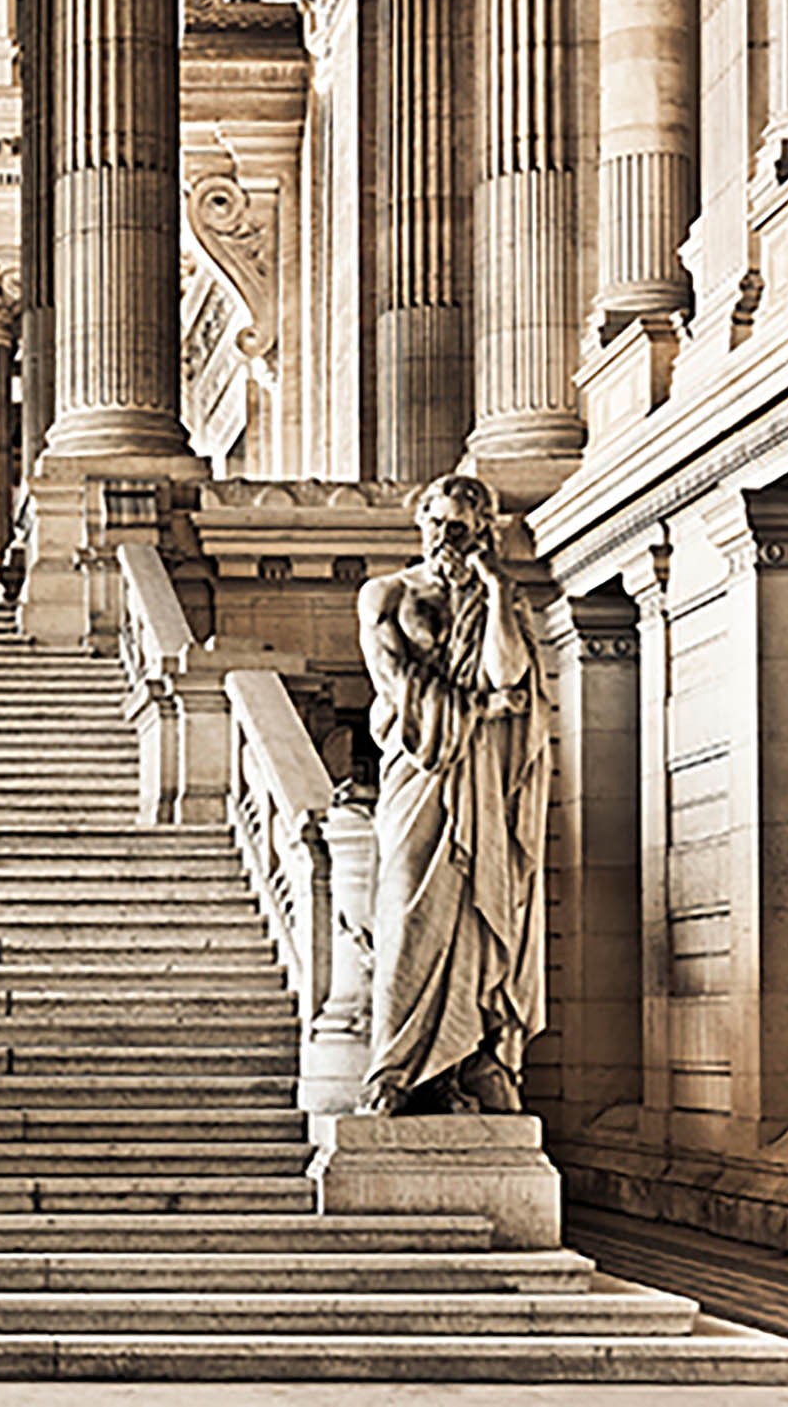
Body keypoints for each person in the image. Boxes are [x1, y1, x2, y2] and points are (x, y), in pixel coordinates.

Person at [354, 474, 550, 1116]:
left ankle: (458, 1065)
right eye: (438, 524)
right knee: (407, 912)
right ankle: (391, 1068)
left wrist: (495, 591)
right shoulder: (387, 593)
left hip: (482, 782)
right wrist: (480, 709)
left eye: (462, 528)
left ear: (483, 533)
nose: (447, 538)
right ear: (421, 523)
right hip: (421, 776)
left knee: (474, 916)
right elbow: (395, 683)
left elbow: (509, 674)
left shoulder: (499, 600)